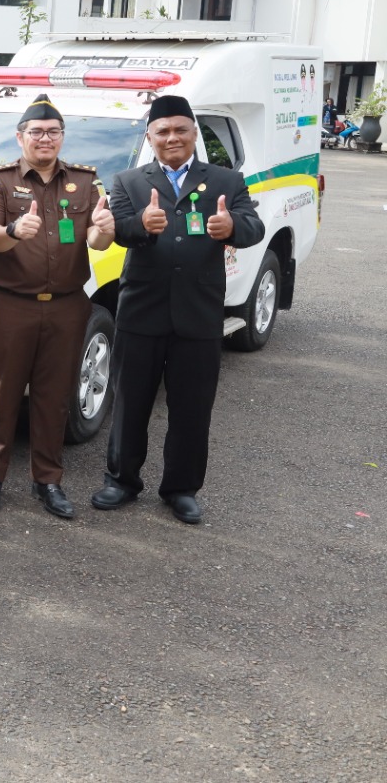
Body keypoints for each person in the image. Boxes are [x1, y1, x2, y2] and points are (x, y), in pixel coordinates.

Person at [92, 95, 264, 524]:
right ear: (150, 137)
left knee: (192, 408)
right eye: (163, 131)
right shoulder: (129, 181)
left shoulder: (226, 180)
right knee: (130, 403)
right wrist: (139, 226)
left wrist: (232, 226)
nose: (172, 137)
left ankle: (182, 489)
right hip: (141, 310)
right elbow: (117, 230)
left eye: (180, 129)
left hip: (199, 312)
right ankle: (121, 480)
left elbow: (253, 226)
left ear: (193, 133)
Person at [0, 94, 115, 519]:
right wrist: (15, 230)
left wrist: (105, 229)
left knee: (54, 397)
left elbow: (96, 242)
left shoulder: (86, 182)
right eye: (36, 132)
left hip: (67, 306)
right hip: (7, 304)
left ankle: (48, 480)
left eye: (53, 131)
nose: (45, 138)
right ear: (21, 138)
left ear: (62, 137)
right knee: (1, 393)